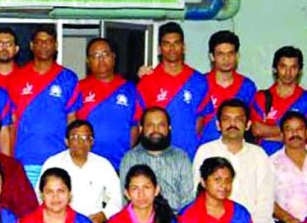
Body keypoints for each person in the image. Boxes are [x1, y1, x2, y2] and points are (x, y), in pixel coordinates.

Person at [193, 99, 281, 223]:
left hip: (252, 220)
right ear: (218, 124)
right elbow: (197, 193)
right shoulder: (206, 151)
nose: (232, 124)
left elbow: (266, 196)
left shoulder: (259, 155)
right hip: (212, 220)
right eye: (227, 119)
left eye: (239, 119)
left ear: (248, 124)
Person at [9, 25, 81, 186]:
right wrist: (10, 159)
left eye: (48, 41)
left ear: (56, 45)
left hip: (59, 159)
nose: (44, 45)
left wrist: (72, 156)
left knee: (57, 208)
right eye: (39, 41)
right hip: (25, 159)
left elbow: (72, 120)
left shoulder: (68, 78)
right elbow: (12, 123)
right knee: (28, 210)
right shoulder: (17, 78)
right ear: (31, 46)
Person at [136, 22, 210, 158]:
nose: (172, 48)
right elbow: (140, 121)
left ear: (183, 47)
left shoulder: (198, 81)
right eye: (166, 43)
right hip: (156, 155)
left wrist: (190, 140)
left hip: (190, 156)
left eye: (176, 43)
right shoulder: (147, 81)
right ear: (159, 48)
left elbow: (202, 118)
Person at [38, 120, 122, 223]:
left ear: (92, 141)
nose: (80, 142)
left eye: (85, 138)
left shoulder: (103, 164)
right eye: (75, 137)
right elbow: (40, 196)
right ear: (66, 141)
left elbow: (118, 198)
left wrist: (102, 215)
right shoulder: (53, 163)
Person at [75, 37, 142, 170]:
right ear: (88, 61)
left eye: (105, 54)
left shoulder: (129, 89)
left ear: (113, 57)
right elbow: (72, 123)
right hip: (87, 164)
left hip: (121, 164)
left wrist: (126, 152)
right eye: (96, 56)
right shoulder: (78, 88)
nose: (101, 60)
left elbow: (135, 126)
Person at [119, 107, 195, 210]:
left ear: (169, 128)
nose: (156, 130)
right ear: (141, 129)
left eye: (161, 125)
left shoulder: (181, 158)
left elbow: (188, 202)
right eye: (150, 125)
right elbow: (126, 203)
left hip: (175, 221)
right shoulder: (130, 159)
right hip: (140, 222)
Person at [251, 46, 307, 155]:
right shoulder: (262, 97)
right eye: (283, 67)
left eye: (293, 67)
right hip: (266, 162)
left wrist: (268, 133)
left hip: (297, 163)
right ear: (275, 68)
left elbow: (304, 135)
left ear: (299, 70)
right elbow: (257, 130)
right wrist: (293, 131)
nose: (288, 72)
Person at [198, 31, 258, 145]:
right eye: (220, 54)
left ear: (237, 55)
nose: (226, 58)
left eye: (230, 53)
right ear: (212, 56)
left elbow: (252, 125)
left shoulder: (247, 87)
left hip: (237, 151)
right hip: (206, 151)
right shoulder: (200, 84)